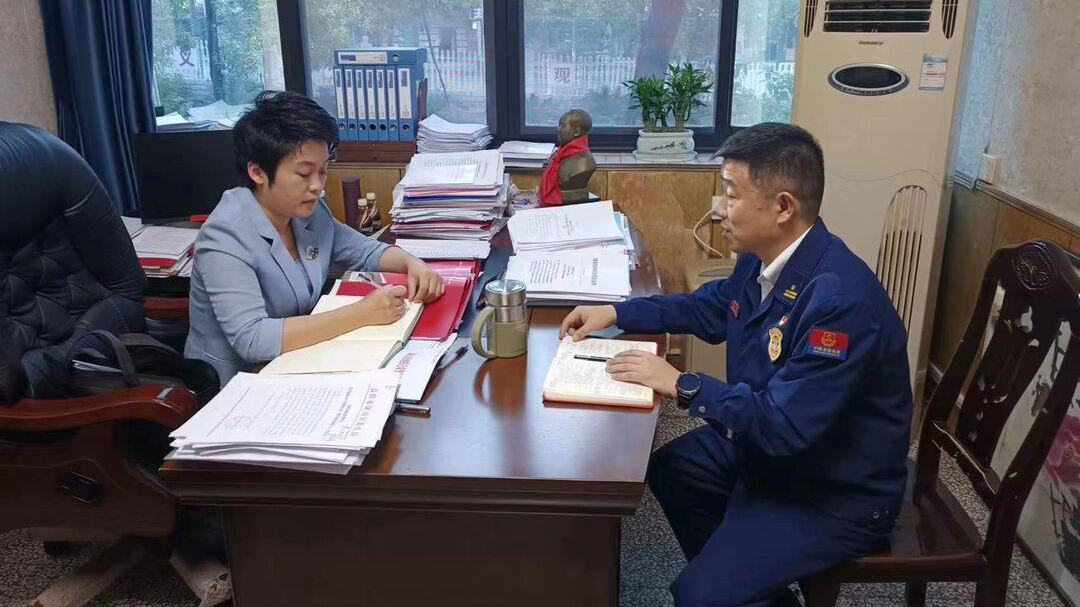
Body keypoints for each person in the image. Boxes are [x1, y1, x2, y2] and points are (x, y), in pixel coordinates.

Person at [559, 123, 912, 607]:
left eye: (730, 194)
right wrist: (619, 312)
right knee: (673, 469)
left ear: (783, 207)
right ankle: (756, 591)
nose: (717, 210)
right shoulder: (763, 257)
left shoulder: (838, 302)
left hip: (832, 488)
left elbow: (784, 426)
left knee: (698, 596)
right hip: (776, 451)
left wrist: (683, 384)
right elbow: (709, 308)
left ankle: (729, 584)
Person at [186, 90, 445, 384]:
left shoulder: (307, 211)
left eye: (322, 171)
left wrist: (412, 264)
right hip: (236, 383)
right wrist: (362, 313)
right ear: (257, 172)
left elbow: (365, 251)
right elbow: (253, 338)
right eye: (304, 173)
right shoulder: (225, 236)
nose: (317, 186)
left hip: (298, 362)